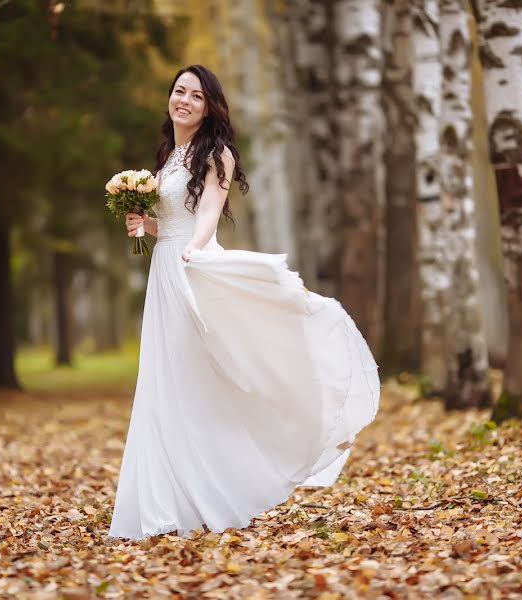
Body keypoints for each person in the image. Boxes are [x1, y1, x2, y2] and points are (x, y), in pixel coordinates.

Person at [108, 65, 380, 540]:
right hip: (165, 270)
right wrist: (144, 225)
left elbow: (208, 211)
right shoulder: (170, 155)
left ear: (211, 105)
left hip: (190, 266)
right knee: (165, 381)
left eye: (196, 95)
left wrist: (194, 250)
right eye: (178, 91)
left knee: (200, 378)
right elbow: (171, 220)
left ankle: (222, 486)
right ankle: (167, 498)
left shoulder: (217, 154)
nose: (185, 101)